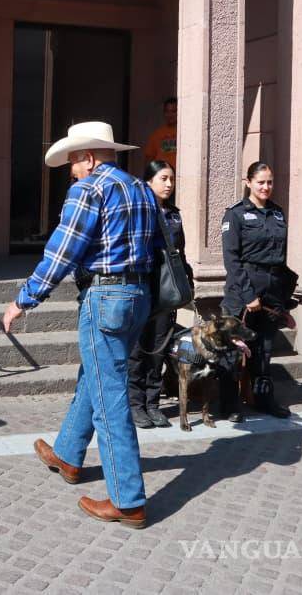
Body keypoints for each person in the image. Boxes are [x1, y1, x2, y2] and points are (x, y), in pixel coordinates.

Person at [2, 120, 157, 529]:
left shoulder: (89, 189)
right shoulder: (141, 188)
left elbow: (61, 252)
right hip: (139, 297)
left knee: (109, 399)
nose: (70, 171)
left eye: (72, 162)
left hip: (105, 298)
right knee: (99, 375)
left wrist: (24, 299)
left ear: (88, 157)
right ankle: (69, 454)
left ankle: (128, 501)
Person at [220, 162, 295, 420]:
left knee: (263, 350)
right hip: (243, 289)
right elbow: (232, 260)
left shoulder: (278, 213)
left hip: (272, 289)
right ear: (248, 182)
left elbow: (280, 257)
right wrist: (248, 295)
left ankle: (263, 399)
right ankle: (230, 405)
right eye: (261, 182)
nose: (266, 187)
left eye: (270, 182)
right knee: (233, 350)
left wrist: (282, 299)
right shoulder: (235, 214)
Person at [128, 161, 193, 429]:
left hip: (167, 291)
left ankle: (153, 404)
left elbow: (181, 253)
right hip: (143, 287)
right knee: (138, 348)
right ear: (148, 182)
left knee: (159, 348)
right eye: (163, 178)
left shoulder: (175, 214)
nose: (168, 184)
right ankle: (135, 404)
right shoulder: (139, 211)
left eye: (172, 179)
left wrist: (186, 282)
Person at [142, 98, 177, 168]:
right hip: (161, 175)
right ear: (164, 113)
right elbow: (149, 158)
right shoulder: (156, 134)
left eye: (174, 111)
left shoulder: (185, 133)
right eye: (167, 111)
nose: (170, 115)